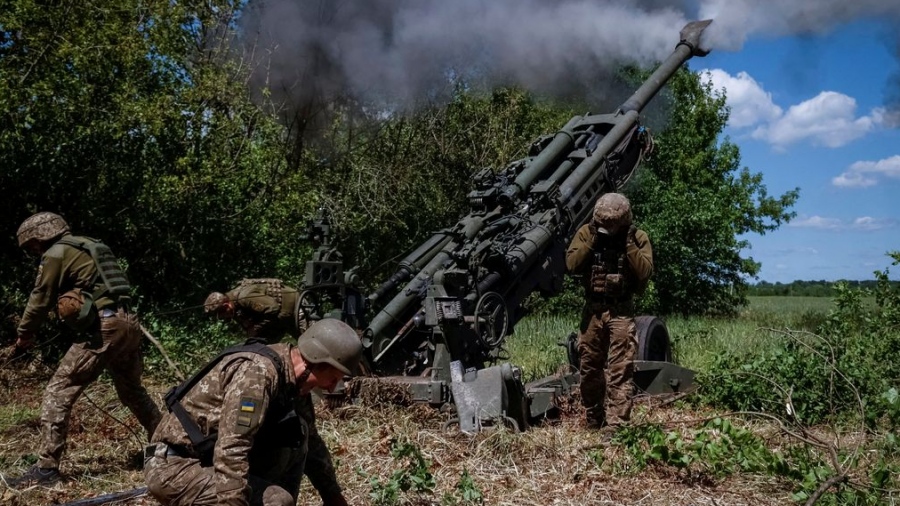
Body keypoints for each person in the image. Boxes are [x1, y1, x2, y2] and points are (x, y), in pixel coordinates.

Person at [6, 212, 162, 486]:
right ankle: (168, 446)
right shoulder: (91, 245)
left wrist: (25, 335)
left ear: (41, 235)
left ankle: (46, 469)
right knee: (133, 391)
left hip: (104, 327)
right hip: (128, 323)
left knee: (58, 390)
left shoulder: (56, 253)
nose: (33, 252)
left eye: (31, 246)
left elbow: (40, 297)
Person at [144, 318, 361, 506]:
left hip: (207, 459)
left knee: (298, 434)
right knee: (277, 501)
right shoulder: (257, 374)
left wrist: (332, 496)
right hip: (174, 466)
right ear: (315, 362)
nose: (333, 388)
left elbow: (312, 443)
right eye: (333, 379)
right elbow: (232, 449)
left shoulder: (294, 381)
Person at [565, 193, 653, 429]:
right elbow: (572, 265)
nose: (609, 229)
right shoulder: (587, 233)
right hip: (592, 310)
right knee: (589, 366)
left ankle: (616, 424)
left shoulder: (637, 237)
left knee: (620, 369)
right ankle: (594, 417)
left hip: (621, 310)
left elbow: (645, 272)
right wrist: (593, 239)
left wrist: (628, 243)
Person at [204, 279, 305, 344]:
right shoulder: (234, 309)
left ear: (227, 306)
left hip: (296, 307)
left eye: (221, 315)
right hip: (279, 320)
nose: (223, 318)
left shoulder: (245, 298)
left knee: (312, 345)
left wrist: (256, 328)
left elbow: (273, 308)